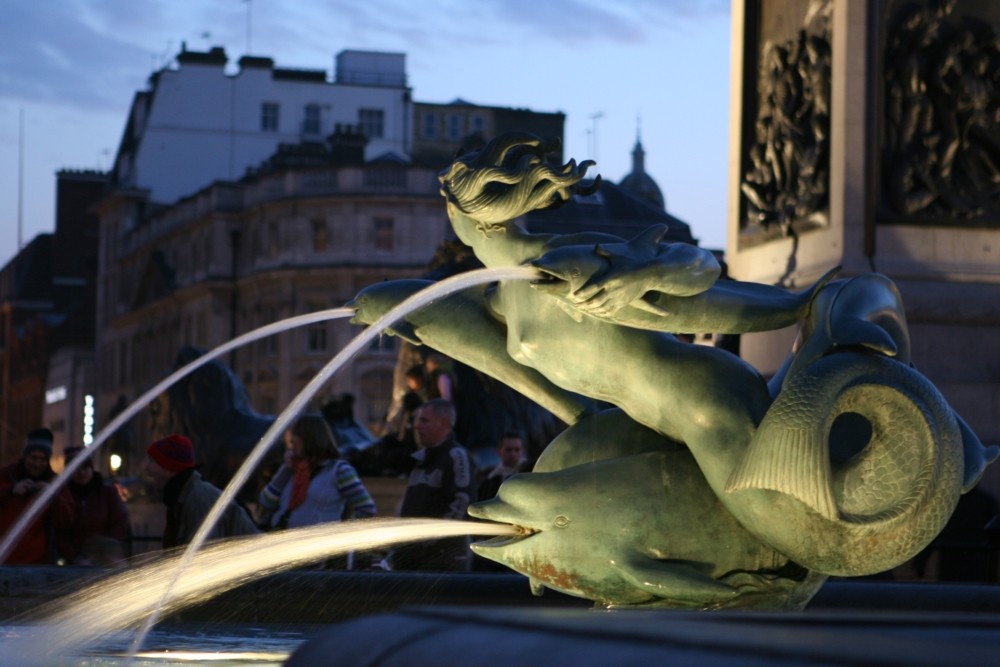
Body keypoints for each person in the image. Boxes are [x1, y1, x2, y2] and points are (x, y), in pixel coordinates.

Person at [393, 399, 475, 572]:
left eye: (424, 420)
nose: (417, 427)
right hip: (416, 557)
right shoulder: (421, 460)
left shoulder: (456, 456)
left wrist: (429, 539)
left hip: (443, 560)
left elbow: (461, 503)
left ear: (444, 423)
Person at [259, 414, 376, 530]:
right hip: (285, 543)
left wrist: (341, 533)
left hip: (318, 545)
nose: (291, 440)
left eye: (296, 435)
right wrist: (286, 469)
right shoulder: (292, 468)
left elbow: (366, 508)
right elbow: (266, 502)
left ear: (310, 438)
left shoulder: (339, 470)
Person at [141, 433, 258, 549]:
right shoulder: (183, 495)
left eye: (152, 461)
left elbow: (204, 556)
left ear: (168, 467)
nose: (147, 468)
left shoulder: (197, 499)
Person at [0, 429, 76, 564]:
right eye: (33, 458)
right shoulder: (6, 475)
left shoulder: (55, 483)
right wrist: (11, 491)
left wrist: (52, 496)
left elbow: (68, 519)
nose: (37, 464)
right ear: (25, 456)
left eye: (43, 459)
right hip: (4, 559)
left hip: (38, 563)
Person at [56, 446, 131, 566]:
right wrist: (74, 557)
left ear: (91, 467)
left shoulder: (107, 493)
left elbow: (119, 521)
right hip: (77, 561)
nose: (81, 472)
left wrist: (106, 549)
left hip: (105, 559)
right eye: (76, 469)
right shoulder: (65, 495)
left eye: (85, 467)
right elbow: (60, 531)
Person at [477, 431, 526, 502]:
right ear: (499, 451)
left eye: (517, 450)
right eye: (508, 450)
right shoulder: (489, 481)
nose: (513, 454)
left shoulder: (530, 472)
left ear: (522, 451)